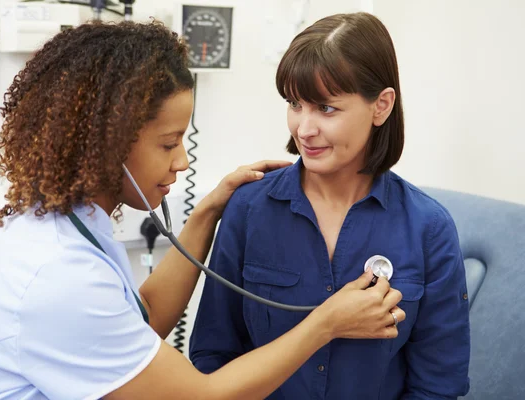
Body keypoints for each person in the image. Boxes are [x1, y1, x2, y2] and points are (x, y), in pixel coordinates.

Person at [0, 19, 406, 400]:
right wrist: (328, 322)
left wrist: (205, 213)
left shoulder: (72, 222)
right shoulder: (56, 273)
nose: (183, 160)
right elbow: (201, 395)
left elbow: (138, 317)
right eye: (169, 143)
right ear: (107, 145)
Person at [190, 11, 471, 400]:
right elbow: (212, 357)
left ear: (381, 106)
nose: (303, 129)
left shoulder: (429, 229)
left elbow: (438, 386)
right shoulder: (248, 209)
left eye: (326, 108)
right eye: (294, 103)